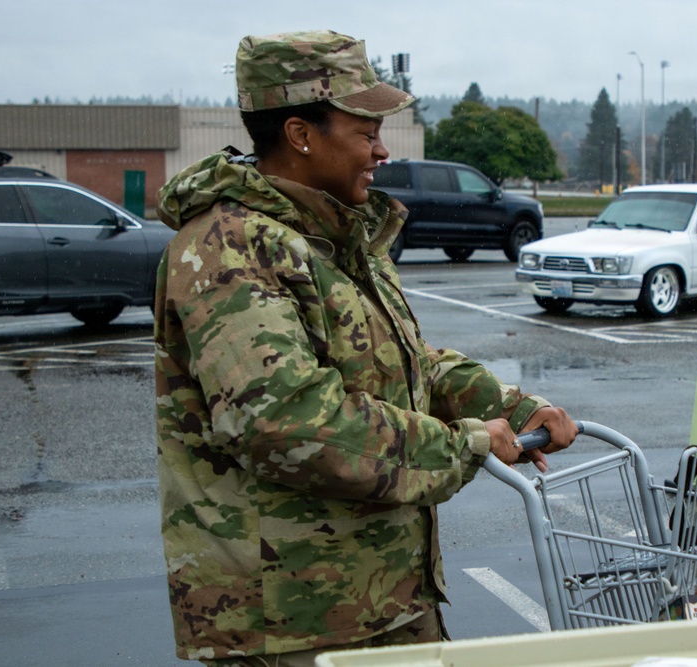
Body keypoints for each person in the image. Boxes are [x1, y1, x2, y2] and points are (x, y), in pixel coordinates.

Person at [153, 30, 578, 666]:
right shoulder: (228, 250)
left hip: (383, 604)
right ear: (301, 134)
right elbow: (287, 423)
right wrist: (465, 443)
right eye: (365, 132)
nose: (381, 151)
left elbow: (405, 364)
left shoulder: (336, 234)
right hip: (294, 625)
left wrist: (511, 406)